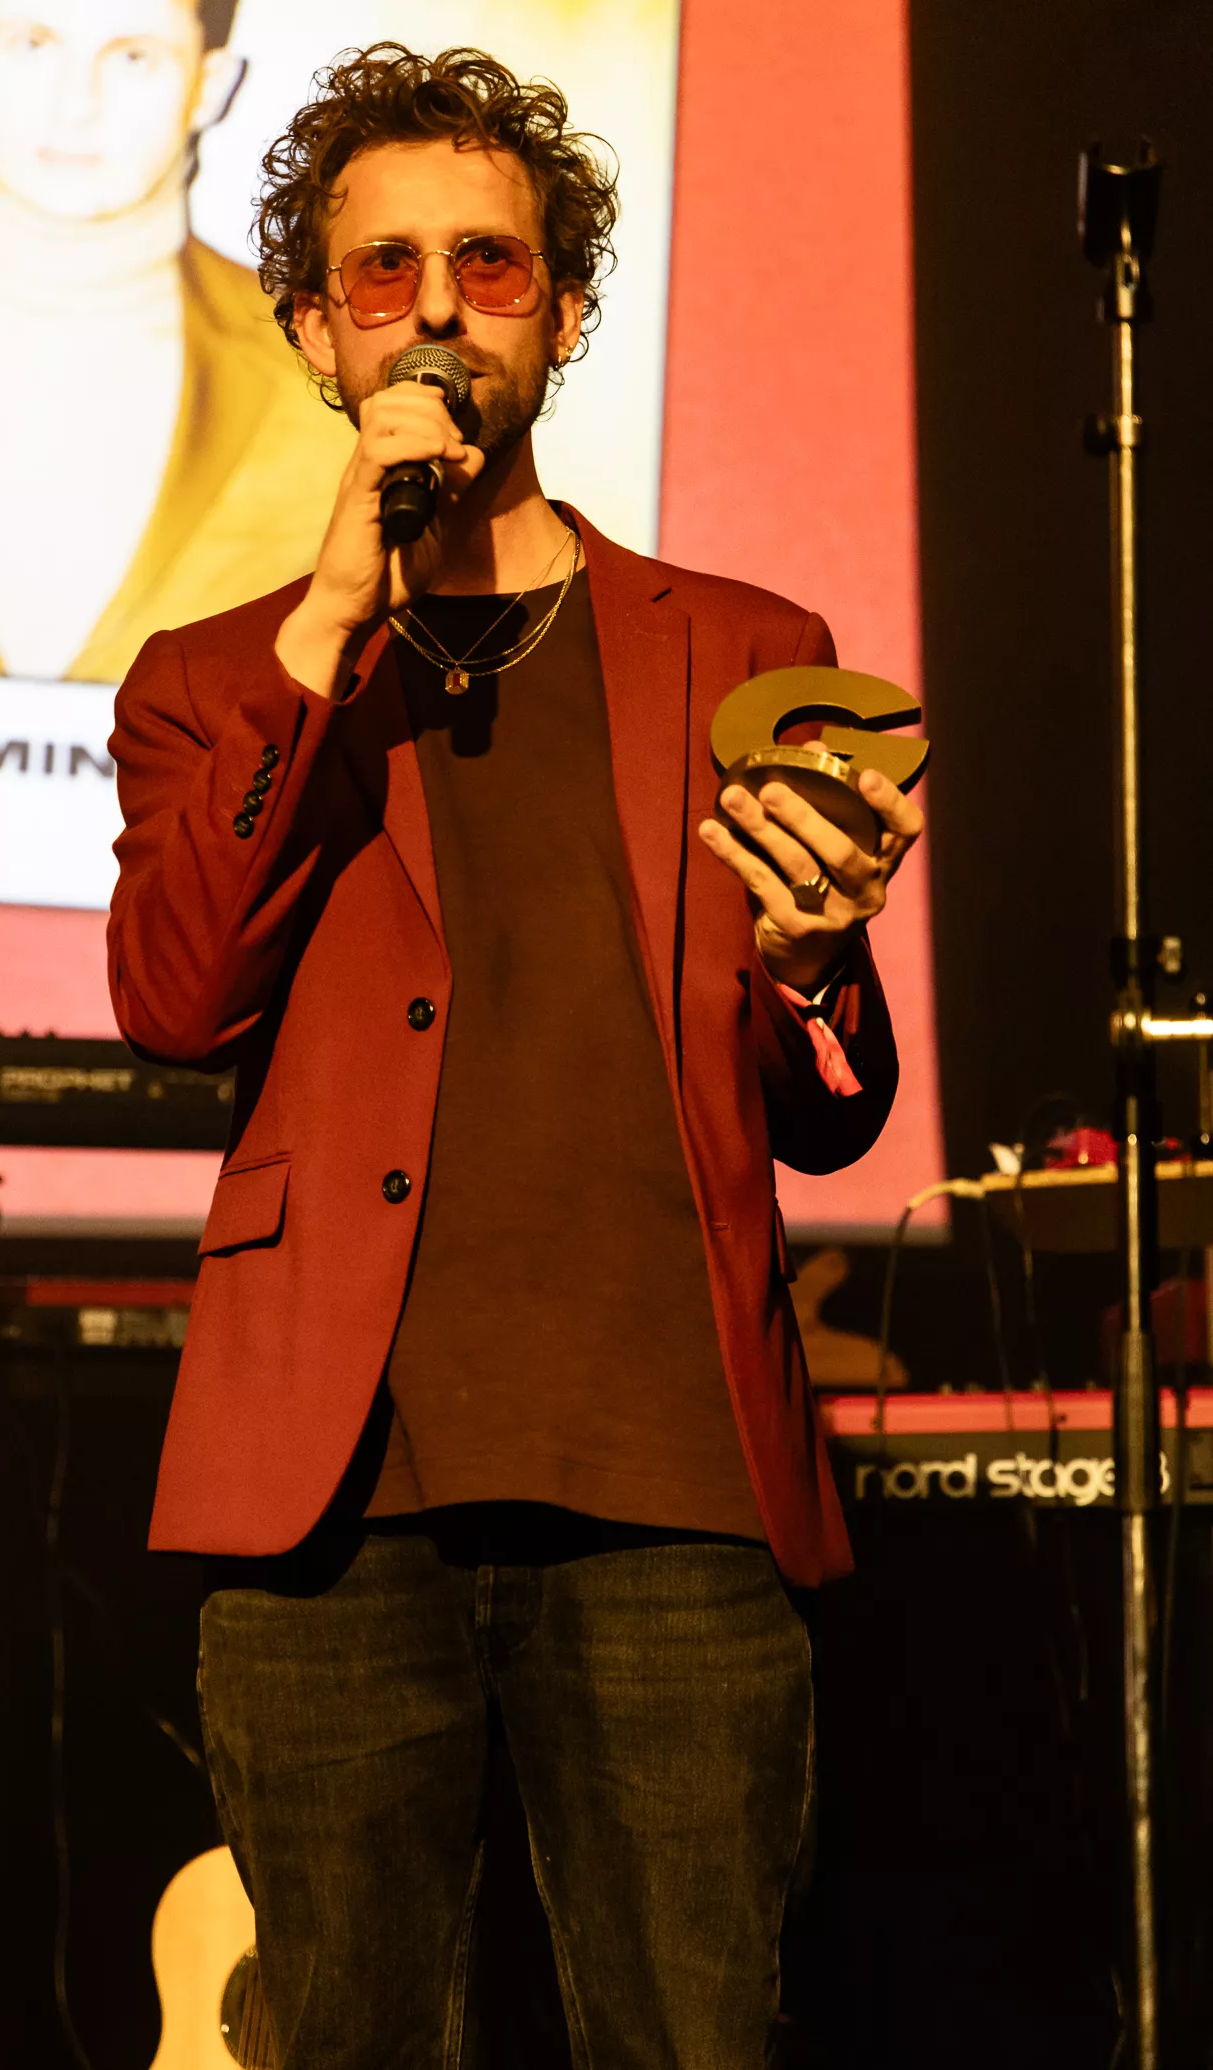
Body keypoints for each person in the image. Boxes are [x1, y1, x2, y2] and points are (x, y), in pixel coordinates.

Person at [107, 44, 924, 2068]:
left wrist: (818, 967)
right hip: (333, 1503)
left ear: (561, 315)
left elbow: (830, 1111)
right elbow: (177, 1001)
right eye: (382, 271)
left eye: (487, 264)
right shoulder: (216, 681)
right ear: (314, 332)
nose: (437, 310)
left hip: (669, 1482)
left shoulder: (746, 650)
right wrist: (330, 618)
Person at [0, 0, 350, 682]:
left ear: (210, 84)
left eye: (134, 57)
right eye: (31, 44)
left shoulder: (336, 384)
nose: (75, 105)